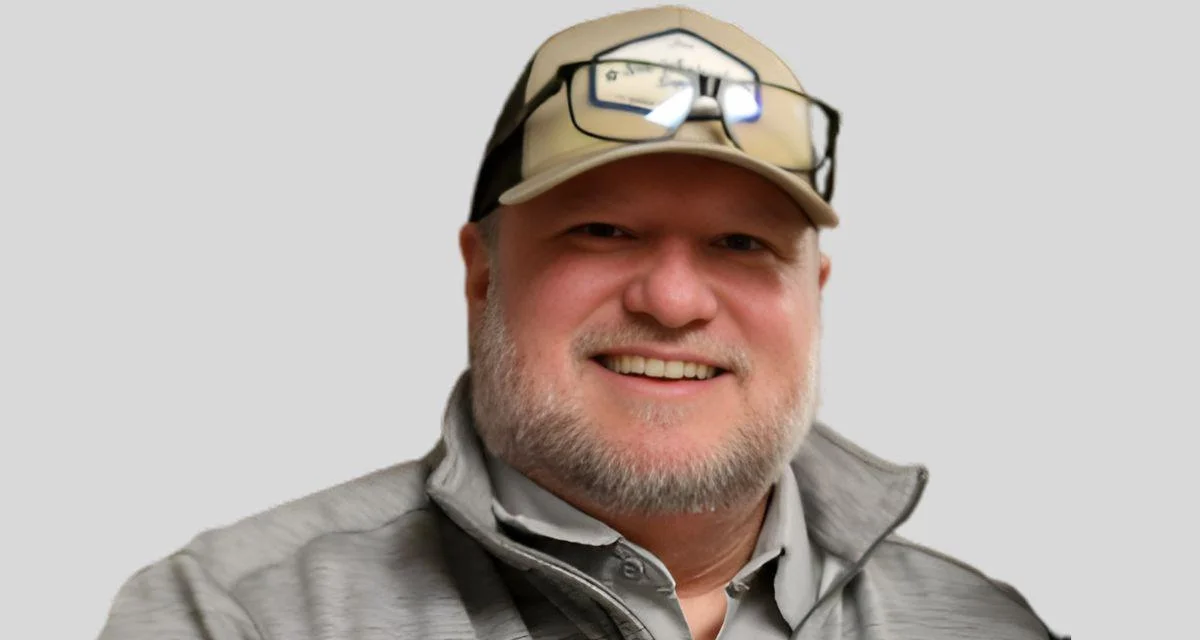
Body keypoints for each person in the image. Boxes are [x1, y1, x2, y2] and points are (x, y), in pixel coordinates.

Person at [98, 5, 1068, 640]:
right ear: (482, 275)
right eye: (602, 231)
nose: (674, 301)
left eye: (741, 244)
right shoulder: (238, 616)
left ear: (815, 292)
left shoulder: (985, 625)